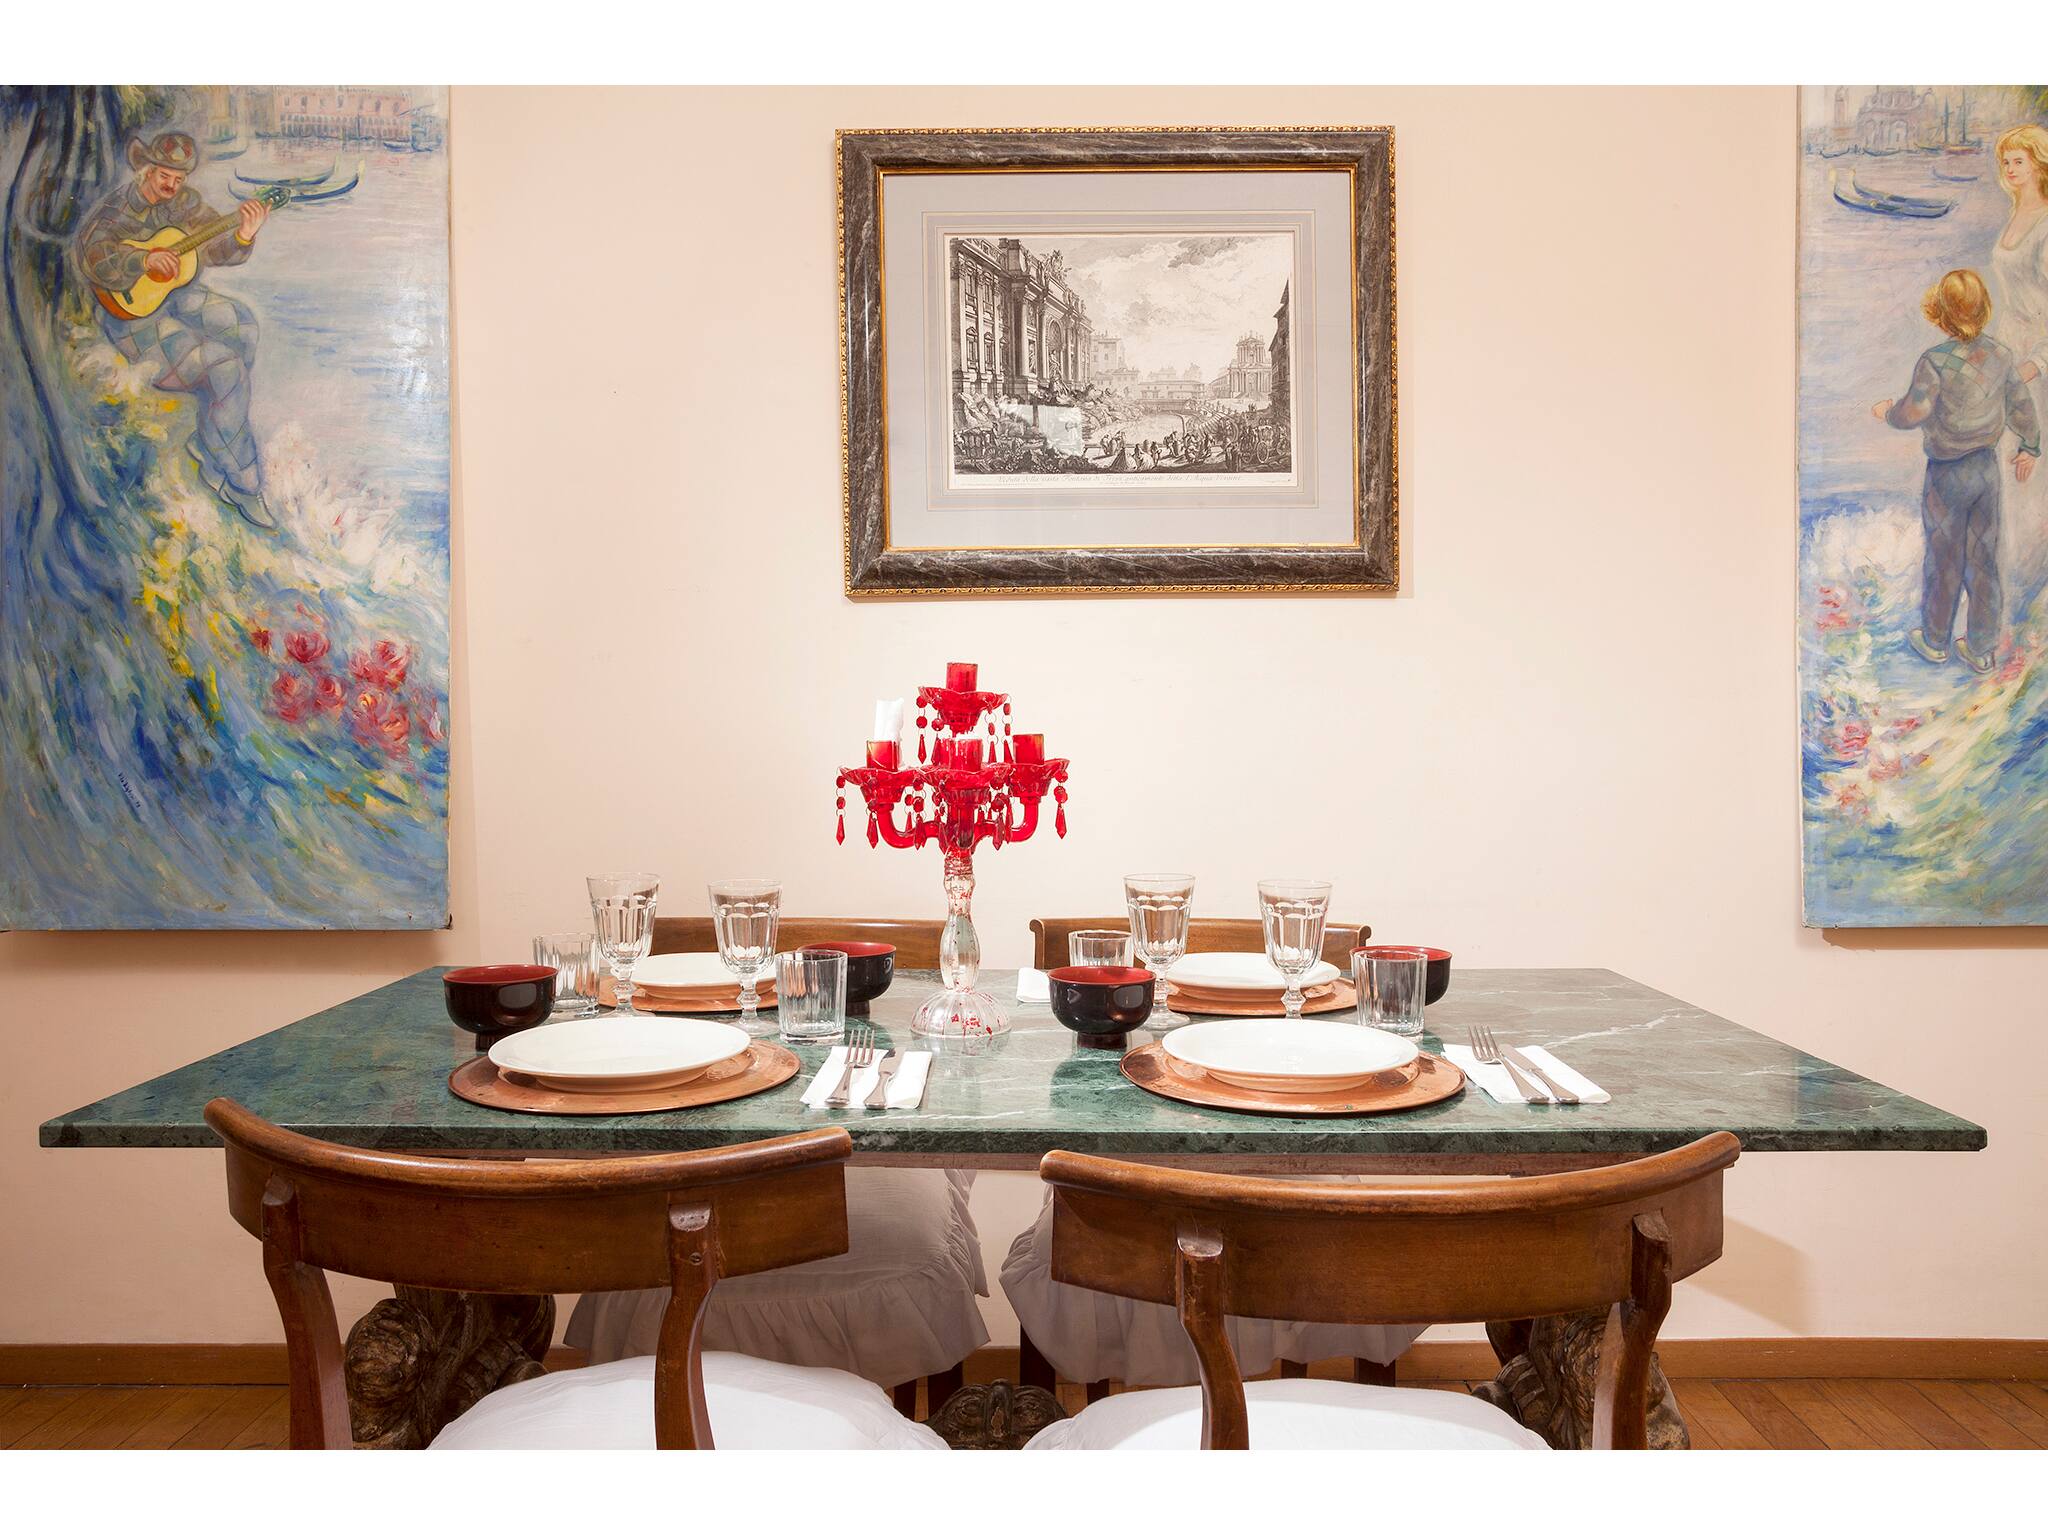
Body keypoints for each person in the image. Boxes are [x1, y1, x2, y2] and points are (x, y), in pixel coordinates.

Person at [73, 132, 276, 528]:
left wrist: (243, 235)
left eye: (179, 179)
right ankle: (243, 483)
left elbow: (215, 247)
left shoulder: (184, 203)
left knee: (242, 325)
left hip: (177, 298)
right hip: (133, 318)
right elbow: (93, 257)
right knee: (224, 366)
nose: (171, 186)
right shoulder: (115, 211)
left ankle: (211, 439)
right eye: (164, 176)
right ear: (146, 171)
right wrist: (141, 262)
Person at [1874, 269, 2040, 672]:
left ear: (1941, 314)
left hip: (1947, 475)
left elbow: (1914, 411)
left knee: (1944, 558)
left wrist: (1887, 413)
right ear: (1984, 310)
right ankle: (1981, 649)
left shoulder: (1934, 361)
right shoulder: (2001, 356)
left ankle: (1935, 641)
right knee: (1983, 559)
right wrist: (2030, 446)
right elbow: (2020, 405)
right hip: (1985, 471)